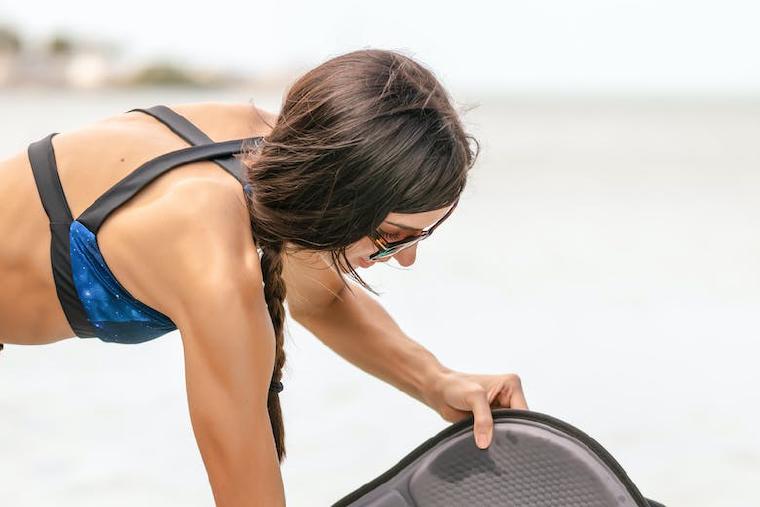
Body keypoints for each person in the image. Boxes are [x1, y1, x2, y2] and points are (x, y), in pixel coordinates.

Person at [0, 48, 528, 506]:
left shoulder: (281, 152)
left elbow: (318, 298)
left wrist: (434, 380)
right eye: (395, 235)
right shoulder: (210, 259)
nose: (406, 260)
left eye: (421, 237)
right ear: (346, 195)